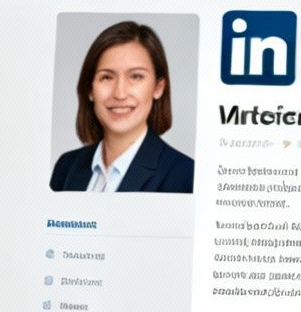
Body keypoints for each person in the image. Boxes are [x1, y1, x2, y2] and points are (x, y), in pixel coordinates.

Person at [50, 21, 194, 194]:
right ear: (90, 89)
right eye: (107, 77)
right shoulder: (66, 167)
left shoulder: (185, 175)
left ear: (158, 87)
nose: (120, 93)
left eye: (136, 76)